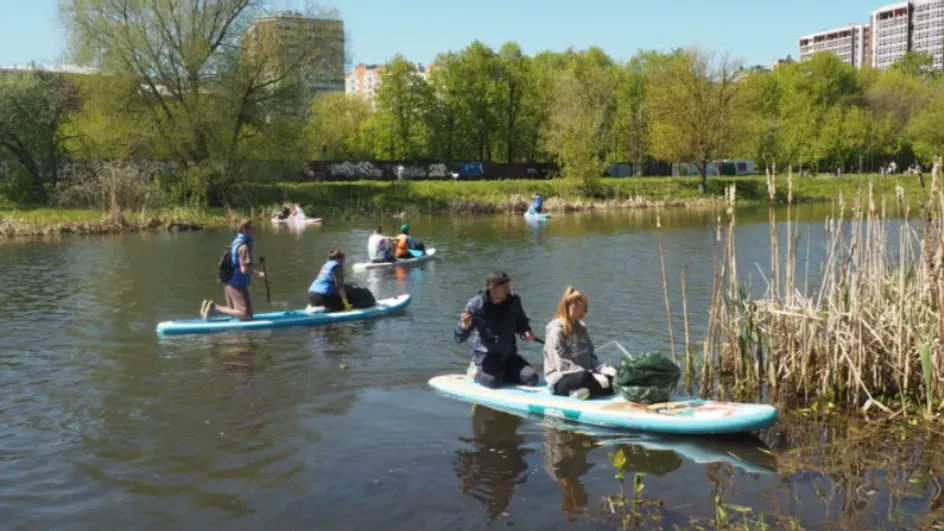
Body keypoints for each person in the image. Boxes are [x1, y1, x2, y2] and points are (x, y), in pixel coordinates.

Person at [455, 270, 539, 388]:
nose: (508, 290)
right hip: (486, 355)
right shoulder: (476, 305)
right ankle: (475, 371)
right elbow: (459, 338)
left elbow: (521, 322)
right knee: (492, 382)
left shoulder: (514, 301)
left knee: (531, 378)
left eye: (508, 286)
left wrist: (526, 331)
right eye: (504, 287)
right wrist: (464, 326)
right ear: (492, 288)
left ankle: (499, 374)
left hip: (508, 355)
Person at [543, 286, 617, 399]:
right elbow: (563, 365)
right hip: (561, 379)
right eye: (584, 307)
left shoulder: (582, 328)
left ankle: (585, 390)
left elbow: (590, 355)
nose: (587, 311)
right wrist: (592, 374)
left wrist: (602, 369)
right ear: (574, 307)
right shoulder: (556, 331)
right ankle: (585, 389)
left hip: (587, 374)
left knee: (614, 376)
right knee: (584, 377)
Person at [201, 220, 265, 321]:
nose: (254, 230)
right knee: (246, 315)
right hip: (237, 284)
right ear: (244, 230)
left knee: (236, 311)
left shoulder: (236, 242)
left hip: (230, 282)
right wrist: (259, 265)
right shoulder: (243, 247)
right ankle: (215, 308)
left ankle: (208, 310)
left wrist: (257, 273)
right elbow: (244, 269)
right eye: (252, 228)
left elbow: (238, 266)